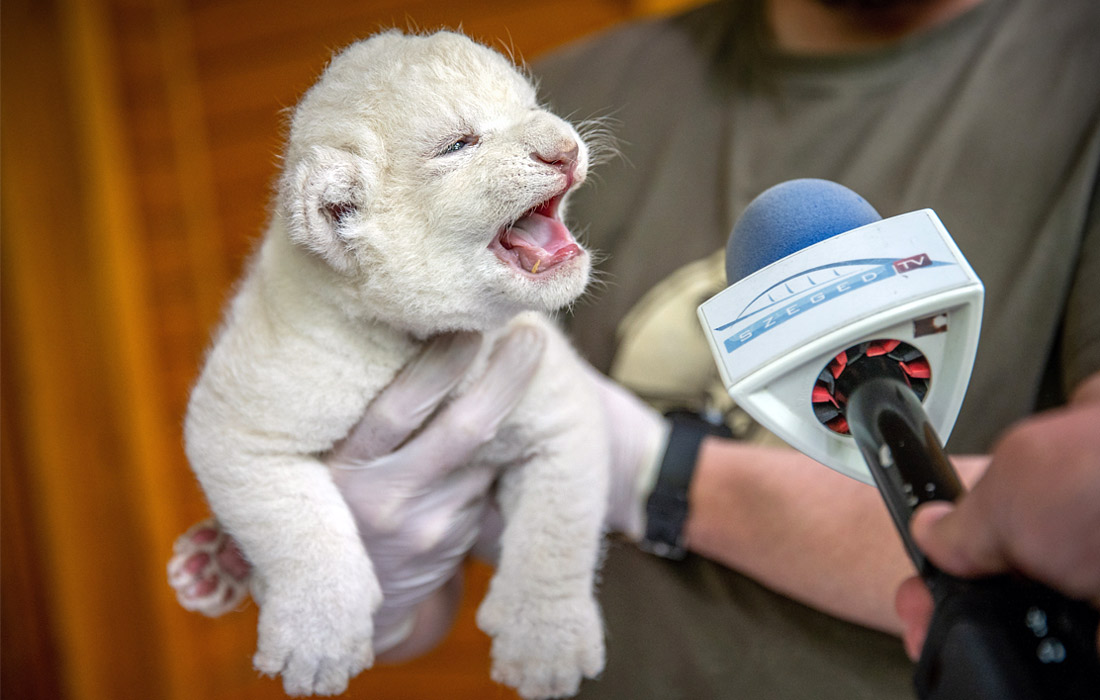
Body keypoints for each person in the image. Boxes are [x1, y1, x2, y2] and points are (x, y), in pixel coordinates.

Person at [174, 0, 1100, 697]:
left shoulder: (1076, 68)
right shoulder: (555, 96)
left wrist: (661, 473)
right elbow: (433, 590)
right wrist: (372, 577)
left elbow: (1070, 531)